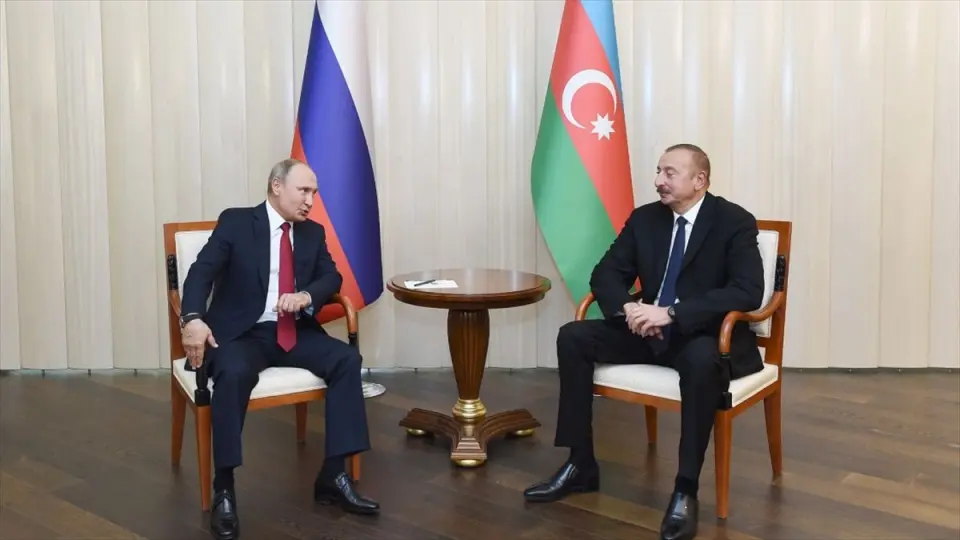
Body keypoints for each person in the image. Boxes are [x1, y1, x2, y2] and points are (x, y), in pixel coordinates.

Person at [523, 144, 765, 540]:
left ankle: (685, 489)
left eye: (669, 173)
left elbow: (747, 291)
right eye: (657, 171)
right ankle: (580, 463)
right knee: (574, 337)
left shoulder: (734, 221)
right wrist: (630, 310)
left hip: (701, 335)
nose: (658, 181)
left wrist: (672, 313)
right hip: (647, 332)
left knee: (702, 362)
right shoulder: (646, 219)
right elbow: (605, 274)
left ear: (699, 180)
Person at [179, 158, 379, 540]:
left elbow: (331, 277)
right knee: (233, 373)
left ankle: (333, 475)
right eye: (304, 191)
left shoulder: (312, 233)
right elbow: (201, 272)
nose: (310, 201)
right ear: (276, 186)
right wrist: (193, 318)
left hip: (293, 331)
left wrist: (306, 296)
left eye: (314, 193)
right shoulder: (237, 222)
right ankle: (224, 488)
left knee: (346, 360)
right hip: (241, 334)